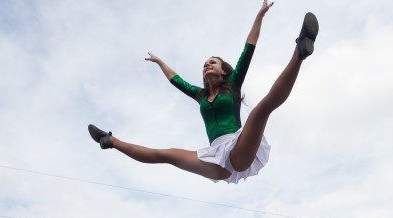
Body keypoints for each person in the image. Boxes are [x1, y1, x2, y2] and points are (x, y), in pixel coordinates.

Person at [87, 2, 319, 184]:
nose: (207, 64)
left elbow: (249, 47)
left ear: (224, 71)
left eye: (213, 62)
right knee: (164, 155)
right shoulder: (199, 95)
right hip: (214, 158)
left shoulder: (234, 84)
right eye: (205, 63)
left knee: (260, 111)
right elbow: (176, 80)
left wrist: (259, 16)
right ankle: (110, 141)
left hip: (238, 148)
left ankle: (300, 51)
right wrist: (159, 62)